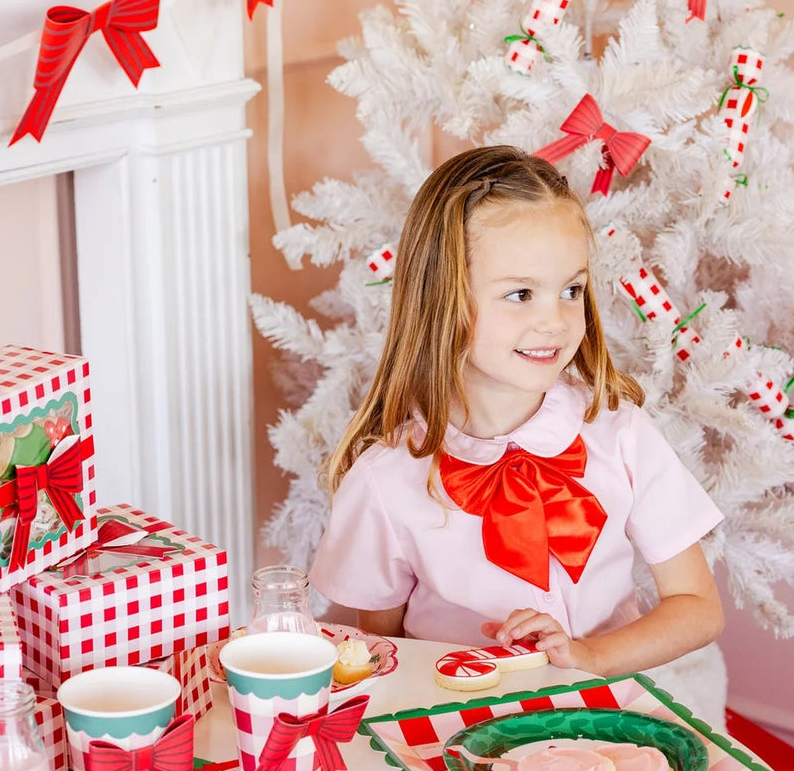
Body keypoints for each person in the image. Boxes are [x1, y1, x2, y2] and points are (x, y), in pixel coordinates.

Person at [308, 145, 724, 677]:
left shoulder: (618, 434)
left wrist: (588, 655)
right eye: (521, 293)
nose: (555, 321)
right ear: (443, 299)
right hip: (454, 730)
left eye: (571, 289)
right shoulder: (386, 480)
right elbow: (379, 656)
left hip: (606, 719)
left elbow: (697, 608)